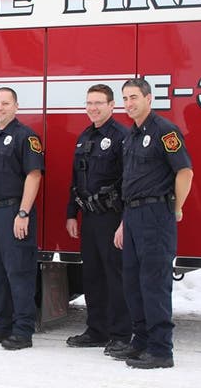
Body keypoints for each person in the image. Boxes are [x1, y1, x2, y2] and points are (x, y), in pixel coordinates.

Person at [109, 78, 193, 369]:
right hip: (132, 216)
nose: (129, 103)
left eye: (134, 97)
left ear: (148, 98)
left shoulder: (165, 131)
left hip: (156, 215)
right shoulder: (131, 135)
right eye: (125, 98)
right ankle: (141, 342)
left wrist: (176, 208)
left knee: (154, 284)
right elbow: (131, 183)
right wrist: (123, 222)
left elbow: (184, 172)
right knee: (132, 283)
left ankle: (161, 350)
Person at [0, 87, 43, 350]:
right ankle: (2, 325)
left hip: (12, 213)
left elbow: (34, 175)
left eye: (5, 103)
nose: (0, 107)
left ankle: (23, 331)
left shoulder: (25, 136)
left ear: (16, 106)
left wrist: (23, 212)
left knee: (19, 272)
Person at [64, 85, 131, 352]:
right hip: (89, 218)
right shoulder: (84, 137)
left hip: (112, 217)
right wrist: (71, 213)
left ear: (112, 105)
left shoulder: (120, 136)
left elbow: (129, 182)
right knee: (92, 276)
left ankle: (121, 334)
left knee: (115, 276)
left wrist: (125, 222)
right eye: (89, 102)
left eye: (99, 103)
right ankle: (97, 329)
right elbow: (75, 178)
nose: (93, 107)